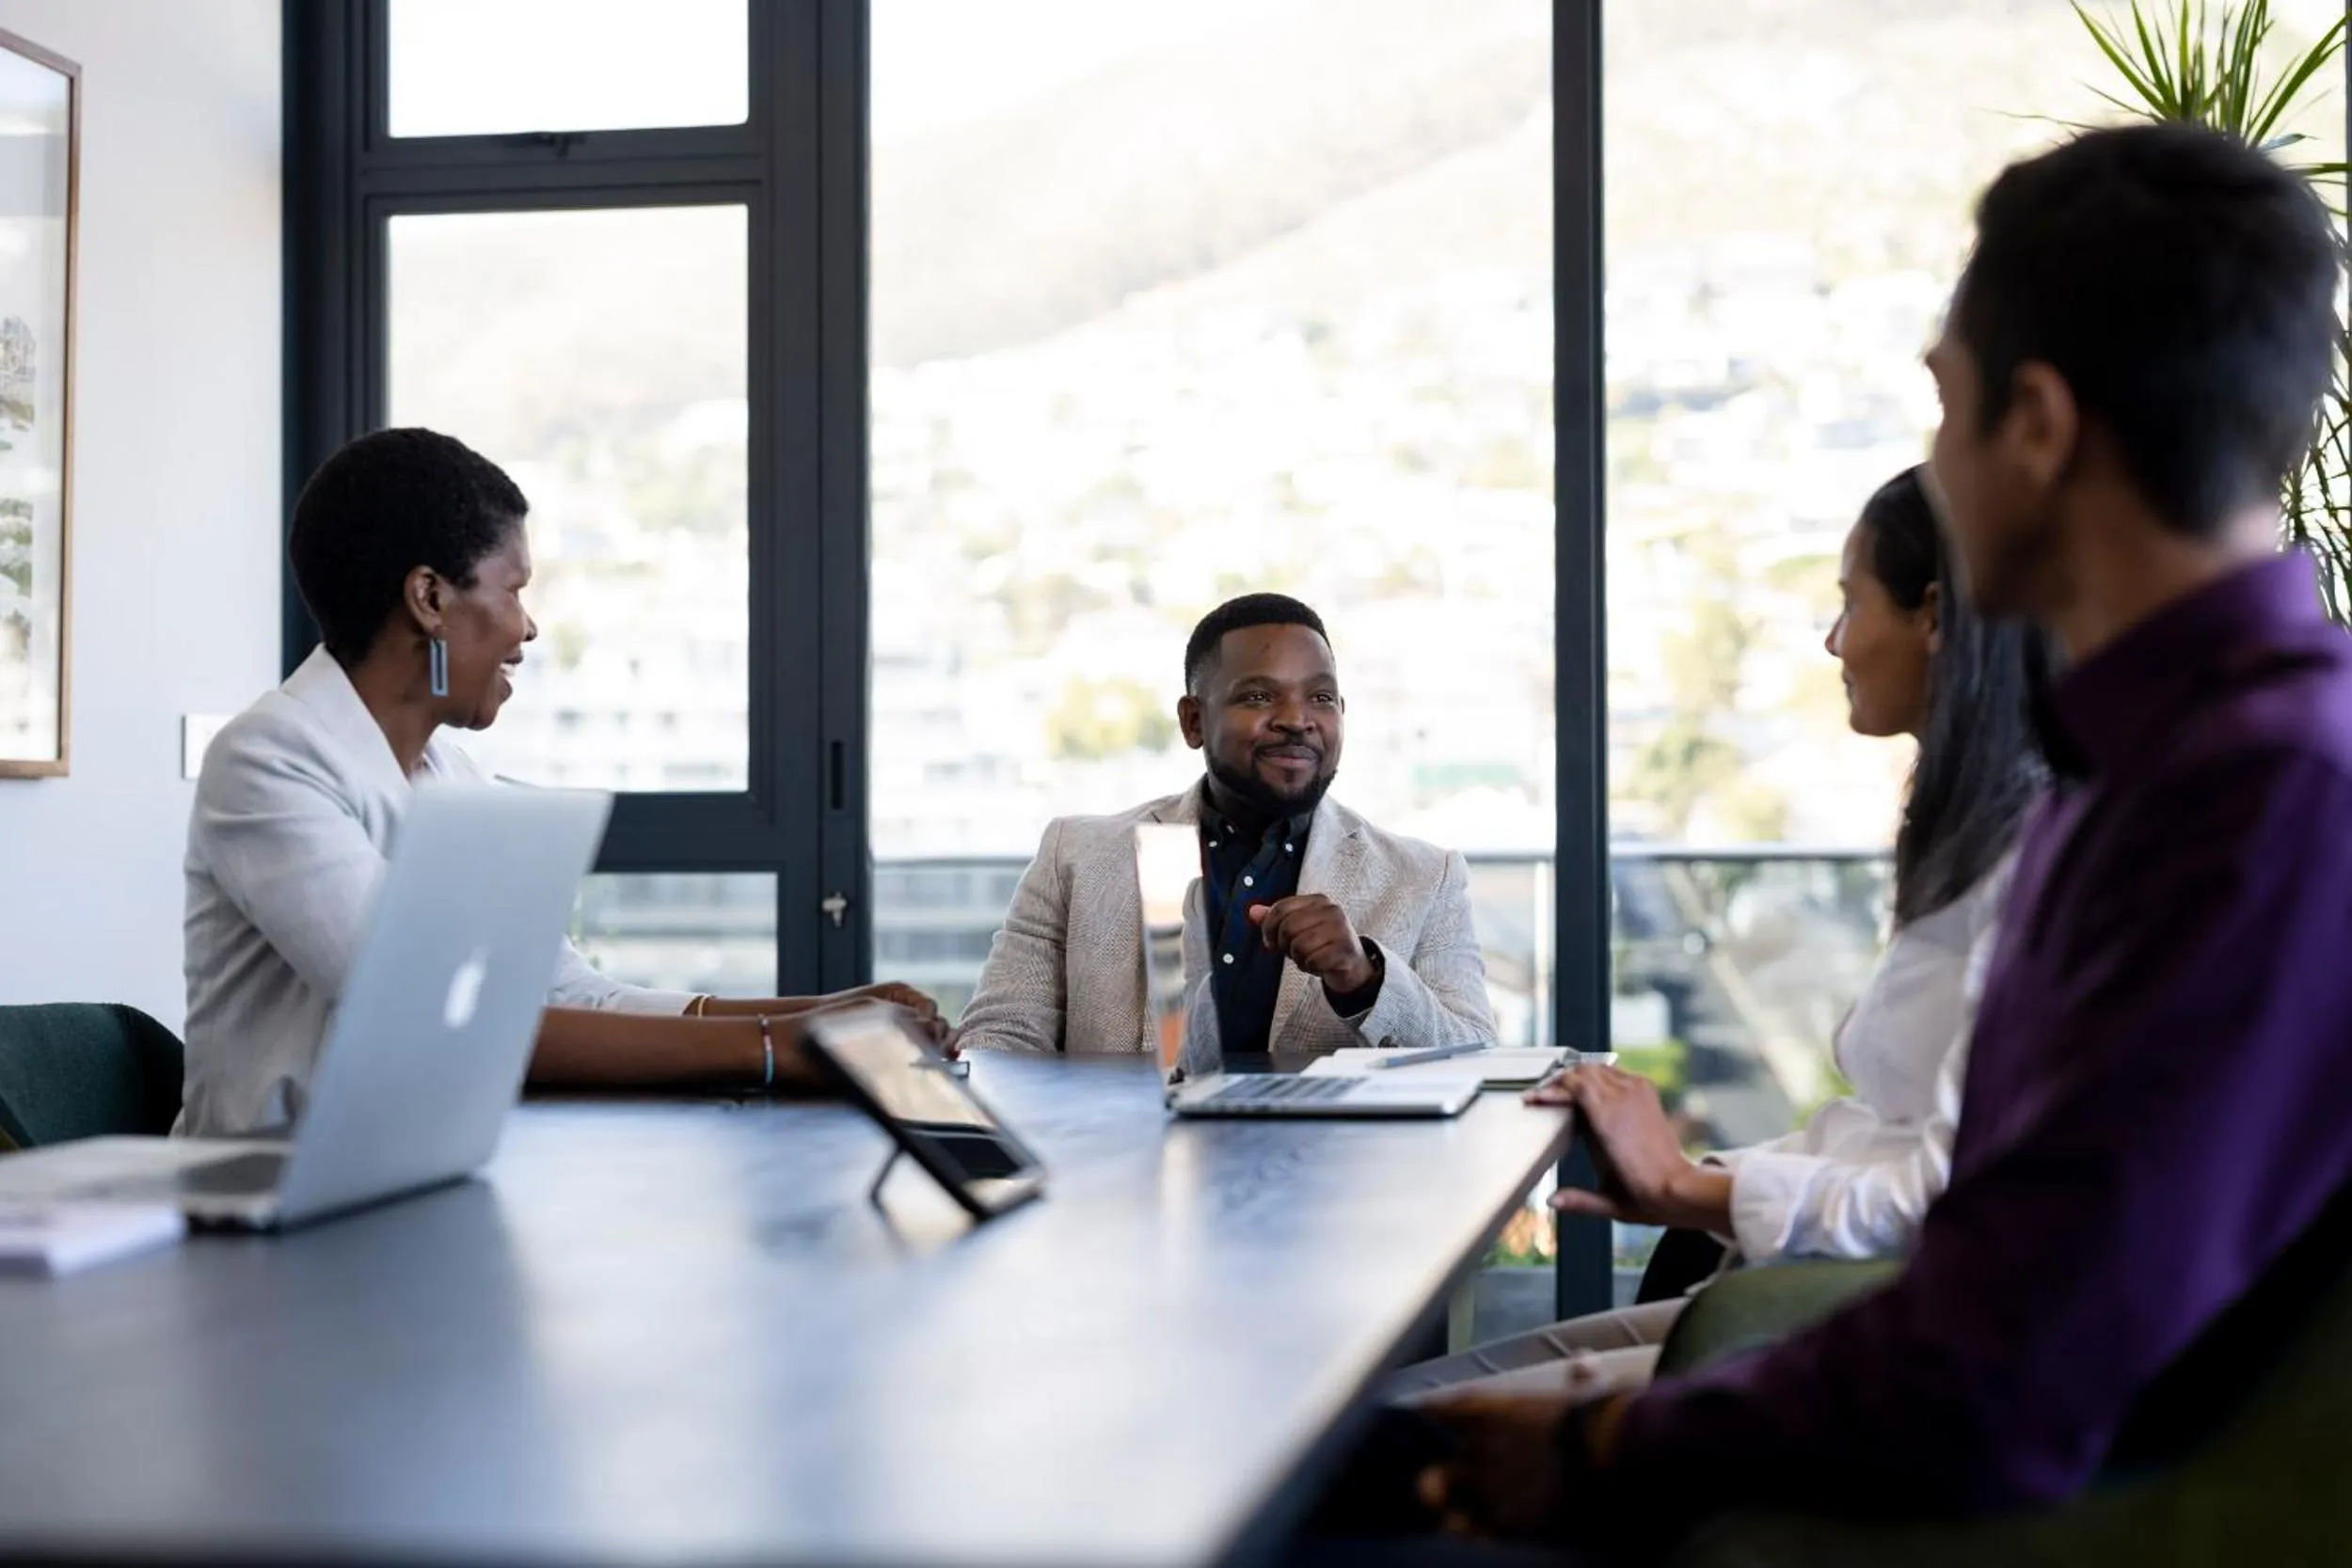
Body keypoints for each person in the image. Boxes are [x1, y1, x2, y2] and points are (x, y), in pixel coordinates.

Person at [1400, 121, 2352, 1558]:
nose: (1938, 465)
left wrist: (1613, 1441)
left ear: (2036, 427)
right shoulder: (2177, 765)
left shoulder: (2252, 801)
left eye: (1946, 406)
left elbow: (1999, 1366)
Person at [1386, 466, 2042, 1404]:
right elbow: (1893, 1144)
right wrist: (1698, 1176)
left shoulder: (2033, 859)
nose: (1833, 640)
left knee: (1394, 1433)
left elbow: (1943, 1192)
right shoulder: (1969, 835)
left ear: (1932, 615)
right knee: (1395, 1411)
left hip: (1863, 1323)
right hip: (1811, 1288)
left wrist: (1686, 1187)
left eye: (1849, 603)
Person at [181, 428, 945, 1137]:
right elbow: (432, 1014)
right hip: (268, 1195)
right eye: (514, 590)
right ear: (431, 598)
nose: (527, 628)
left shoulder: (450, 777)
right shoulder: (268, 758)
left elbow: (573, 993)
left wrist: (831, 1015)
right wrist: (778, 1045)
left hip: (410, 1172)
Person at [956, 593, 1495, 1058]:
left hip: (1333, 1152)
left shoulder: (1426, 878)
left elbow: (1475, 1057)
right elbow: (999, 1042)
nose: (1297, 719)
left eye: (1321, 697)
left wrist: (1365, 978)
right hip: (1128, 1148)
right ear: (1194, 721)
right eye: (1258, 696)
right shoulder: (1075, 856)